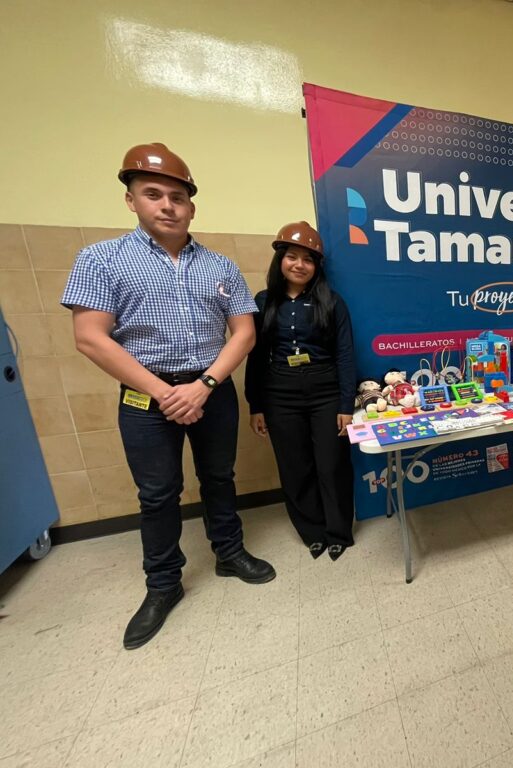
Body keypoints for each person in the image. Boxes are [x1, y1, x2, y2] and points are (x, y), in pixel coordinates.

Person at [61, 142, 276, 650]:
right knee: (158, 494)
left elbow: (244, 333)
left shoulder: (220, 266)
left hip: (212, 387)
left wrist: (203, 386)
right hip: (145, 396)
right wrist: (164, 392)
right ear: (131, 200)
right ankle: (162, 585)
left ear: (191, 207)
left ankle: (229, 553)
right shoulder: (101, 259)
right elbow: (90, 337)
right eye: (153, 194)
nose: (167, 206)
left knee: (219, 476)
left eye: (177, 197)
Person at [245, 222, 357, 561]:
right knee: (294, 466)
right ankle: (312, 532)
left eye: (308, 259)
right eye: (292, 256)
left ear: (317, 266)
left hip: (325, 392)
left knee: (332, 464)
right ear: (280, 260)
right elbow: (255, 356)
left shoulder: (332, 302)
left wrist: (346, 404)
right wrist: (255, 404)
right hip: (279, 394)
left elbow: (345, 355)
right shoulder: (263, 302)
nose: (299, 265)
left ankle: (338, 532)